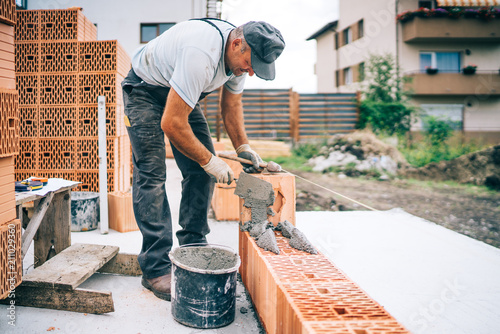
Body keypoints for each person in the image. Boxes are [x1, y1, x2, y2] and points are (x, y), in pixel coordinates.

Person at [122, 18, 285, 301]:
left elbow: (231, 105)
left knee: (199, 172)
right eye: (250, 64)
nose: (250, 72)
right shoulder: (201, 54)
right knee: (152, 175)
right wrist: (210, 161)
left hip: (182, 92)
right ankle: (155, 268)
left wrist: (242, 147)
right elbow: (172, 123)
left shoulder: (243, 55)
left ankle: (193, 244)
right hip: (144, 90)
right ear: (236, 44)